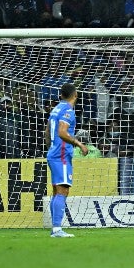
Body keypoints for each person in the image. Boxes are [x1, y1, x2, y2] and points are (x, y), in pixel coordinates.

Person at [45, 83, 88, 237]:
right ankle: (57, 229)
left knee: (57, 191)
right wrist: (79, 144)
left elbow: (48, 129)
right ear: (75, 94)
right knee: (63, 190)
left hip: (54, 153)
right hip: (61, 155)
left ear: (61, 95)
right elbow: (62, 132)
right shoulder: (68, 110)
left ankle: (55, 229)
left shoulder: (56, 108)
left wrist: (51, 147)